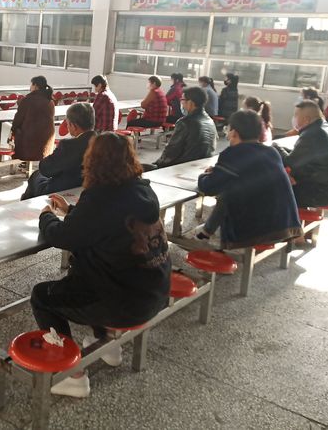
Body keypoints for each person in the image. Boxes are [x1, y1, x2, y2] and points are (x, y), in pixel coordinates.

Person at [31, 132, 171, 398]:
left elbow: (62, 237)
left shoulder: (100, 198)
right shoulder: (143, 191)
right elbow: (106, 226)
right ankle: (108, 343)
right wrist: (72, 211)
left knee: (42, 296)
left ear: (92, 161)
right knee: (103, 273)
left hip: (124, 303)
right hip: (155, 292)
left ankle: (70, 374)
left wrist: (47, 216)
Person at [195, 110, 302, 247]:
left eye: (228, 129)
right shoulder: (271, 152)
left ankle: (204, 235)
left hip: (256, 231)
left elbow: (208, 187)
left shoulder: (233, 154)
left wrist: (205, 175)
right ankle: (206, 232)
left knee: (229, 193)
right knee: (232, 191)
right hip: (286, 226)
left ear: (234, 132)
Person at [274, 100, 328, 208]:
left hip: (322, 193)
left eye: (296, 115)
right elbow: (299, 156)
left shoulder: (311, 135)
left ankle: (285, 219)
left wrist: (276, 147)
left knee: (271, 191)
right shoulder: (323, 128)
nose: (293, 118)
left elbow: (290, 163)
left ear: (307, 119)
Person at [21, 102, 96, 200]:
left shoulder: (69, 146)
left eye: (68, 124)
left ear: (73, 126)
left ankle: (24, 204)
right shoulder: (103, 141)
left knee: (36, 175)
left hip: (63, 188)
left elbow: (45, 169)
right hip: (89, 185)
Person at [152, 86, 216, 169]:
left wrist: (156, 165)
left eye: (182, 100)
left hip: (184, 167)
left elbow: (171, 151)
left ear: (190, 102)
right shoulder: (210, 121)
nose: (181, 103)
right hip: (203, 165)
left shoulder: (185, 122)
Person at [10, 76, 55, 162]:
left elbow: (18, 120)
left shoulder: (28, 100)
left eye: (31, 85)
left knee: (17, 132)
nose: (30, 87)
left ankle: (23, 163)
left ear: (36, 86)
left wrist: (13, 130)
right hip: (47, 141)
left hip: (30, 142)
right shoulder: (50, 101)